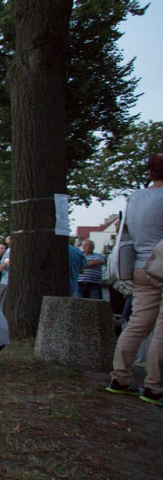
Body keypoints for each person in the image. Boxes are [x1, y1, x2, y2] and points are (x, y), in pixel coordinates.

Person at [105, 152, 163, 406]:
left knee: (137, 323)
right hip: (160, 265)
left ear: (150, 172)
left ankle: (120, 377)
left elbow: (124, 232)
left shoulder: (135, 198)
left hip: (140, 268)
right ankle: (154, 386)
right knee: (161, 329)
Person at [0, 240, 11, 310]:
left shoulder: (9, 250)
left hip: (7, 282)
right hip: (5, 282)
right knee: (3, 305)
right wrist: (6, 263)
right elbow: (0, 268)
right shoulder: (9, 251)